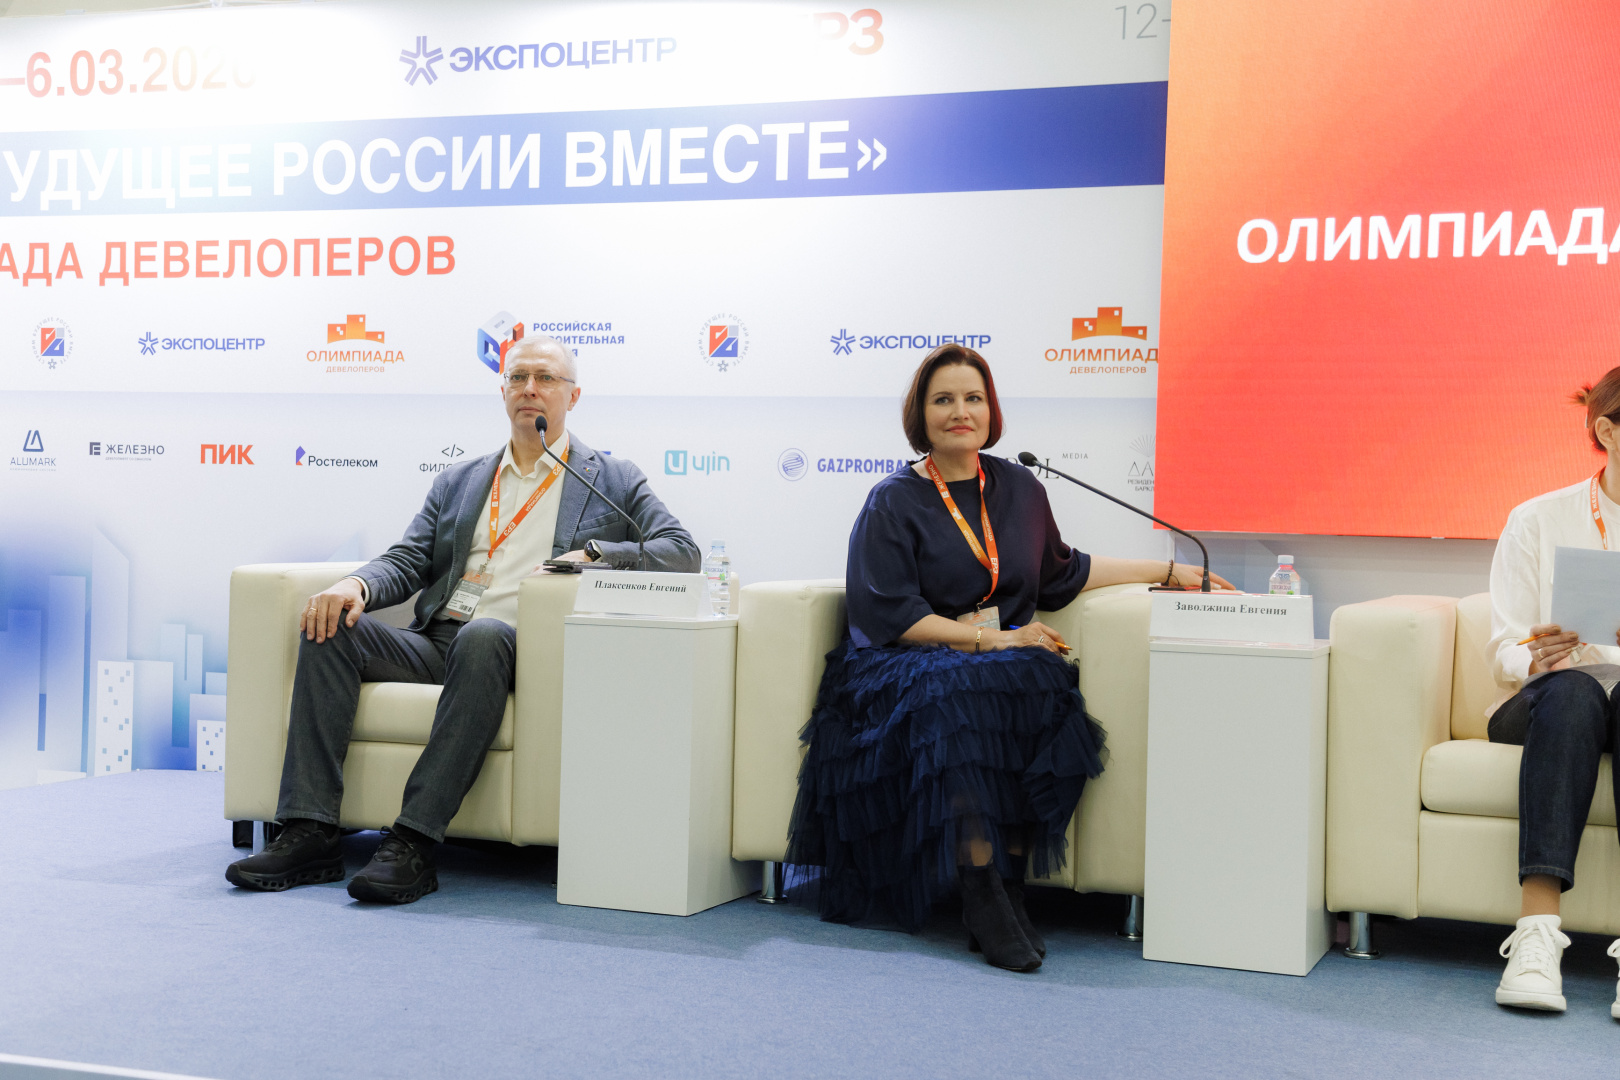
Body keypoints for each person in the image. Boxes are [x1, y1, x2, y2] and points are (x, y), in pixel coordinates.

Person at [784, 344, 1233, 971]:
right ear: (921, 414)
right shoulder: (893, 500)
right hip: (903, 664)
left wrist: (1168, 570)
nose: (960, 412)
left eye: (973, 398)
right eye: (943, 400)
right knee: (956, 694)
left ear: (991, 410)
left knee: (1044, 682)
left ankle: (1009, 879)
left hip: (996, 660)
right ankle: (980, 886)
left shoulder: (1021, 487)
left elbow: (1063, 571)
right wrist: (989, 639)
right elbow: (891, 616)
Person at [226, 334, 699, 903]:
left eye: (545, 379)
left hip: (522, 649)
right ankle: (310, 831)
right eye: (518, 377)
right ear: (503, 392)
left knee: (483, 636)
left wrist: (598, 553)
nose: (530, 389)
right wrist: (355, 585)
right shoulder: (461, 480)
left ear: (572, 397)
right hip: (438, 641)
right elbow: (409, 559)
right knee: (331, 627)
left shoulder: (612, 478)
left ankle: (413, 840)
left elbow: (681, 551)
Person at [1487, 366, 1620, 1015]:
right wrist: (1537, 656)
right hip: (1551, 698)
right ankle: (1537, 936)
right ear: (1608, 432)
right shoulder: (1538, 518)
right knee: (1573, 693)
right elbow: (1503, 650)